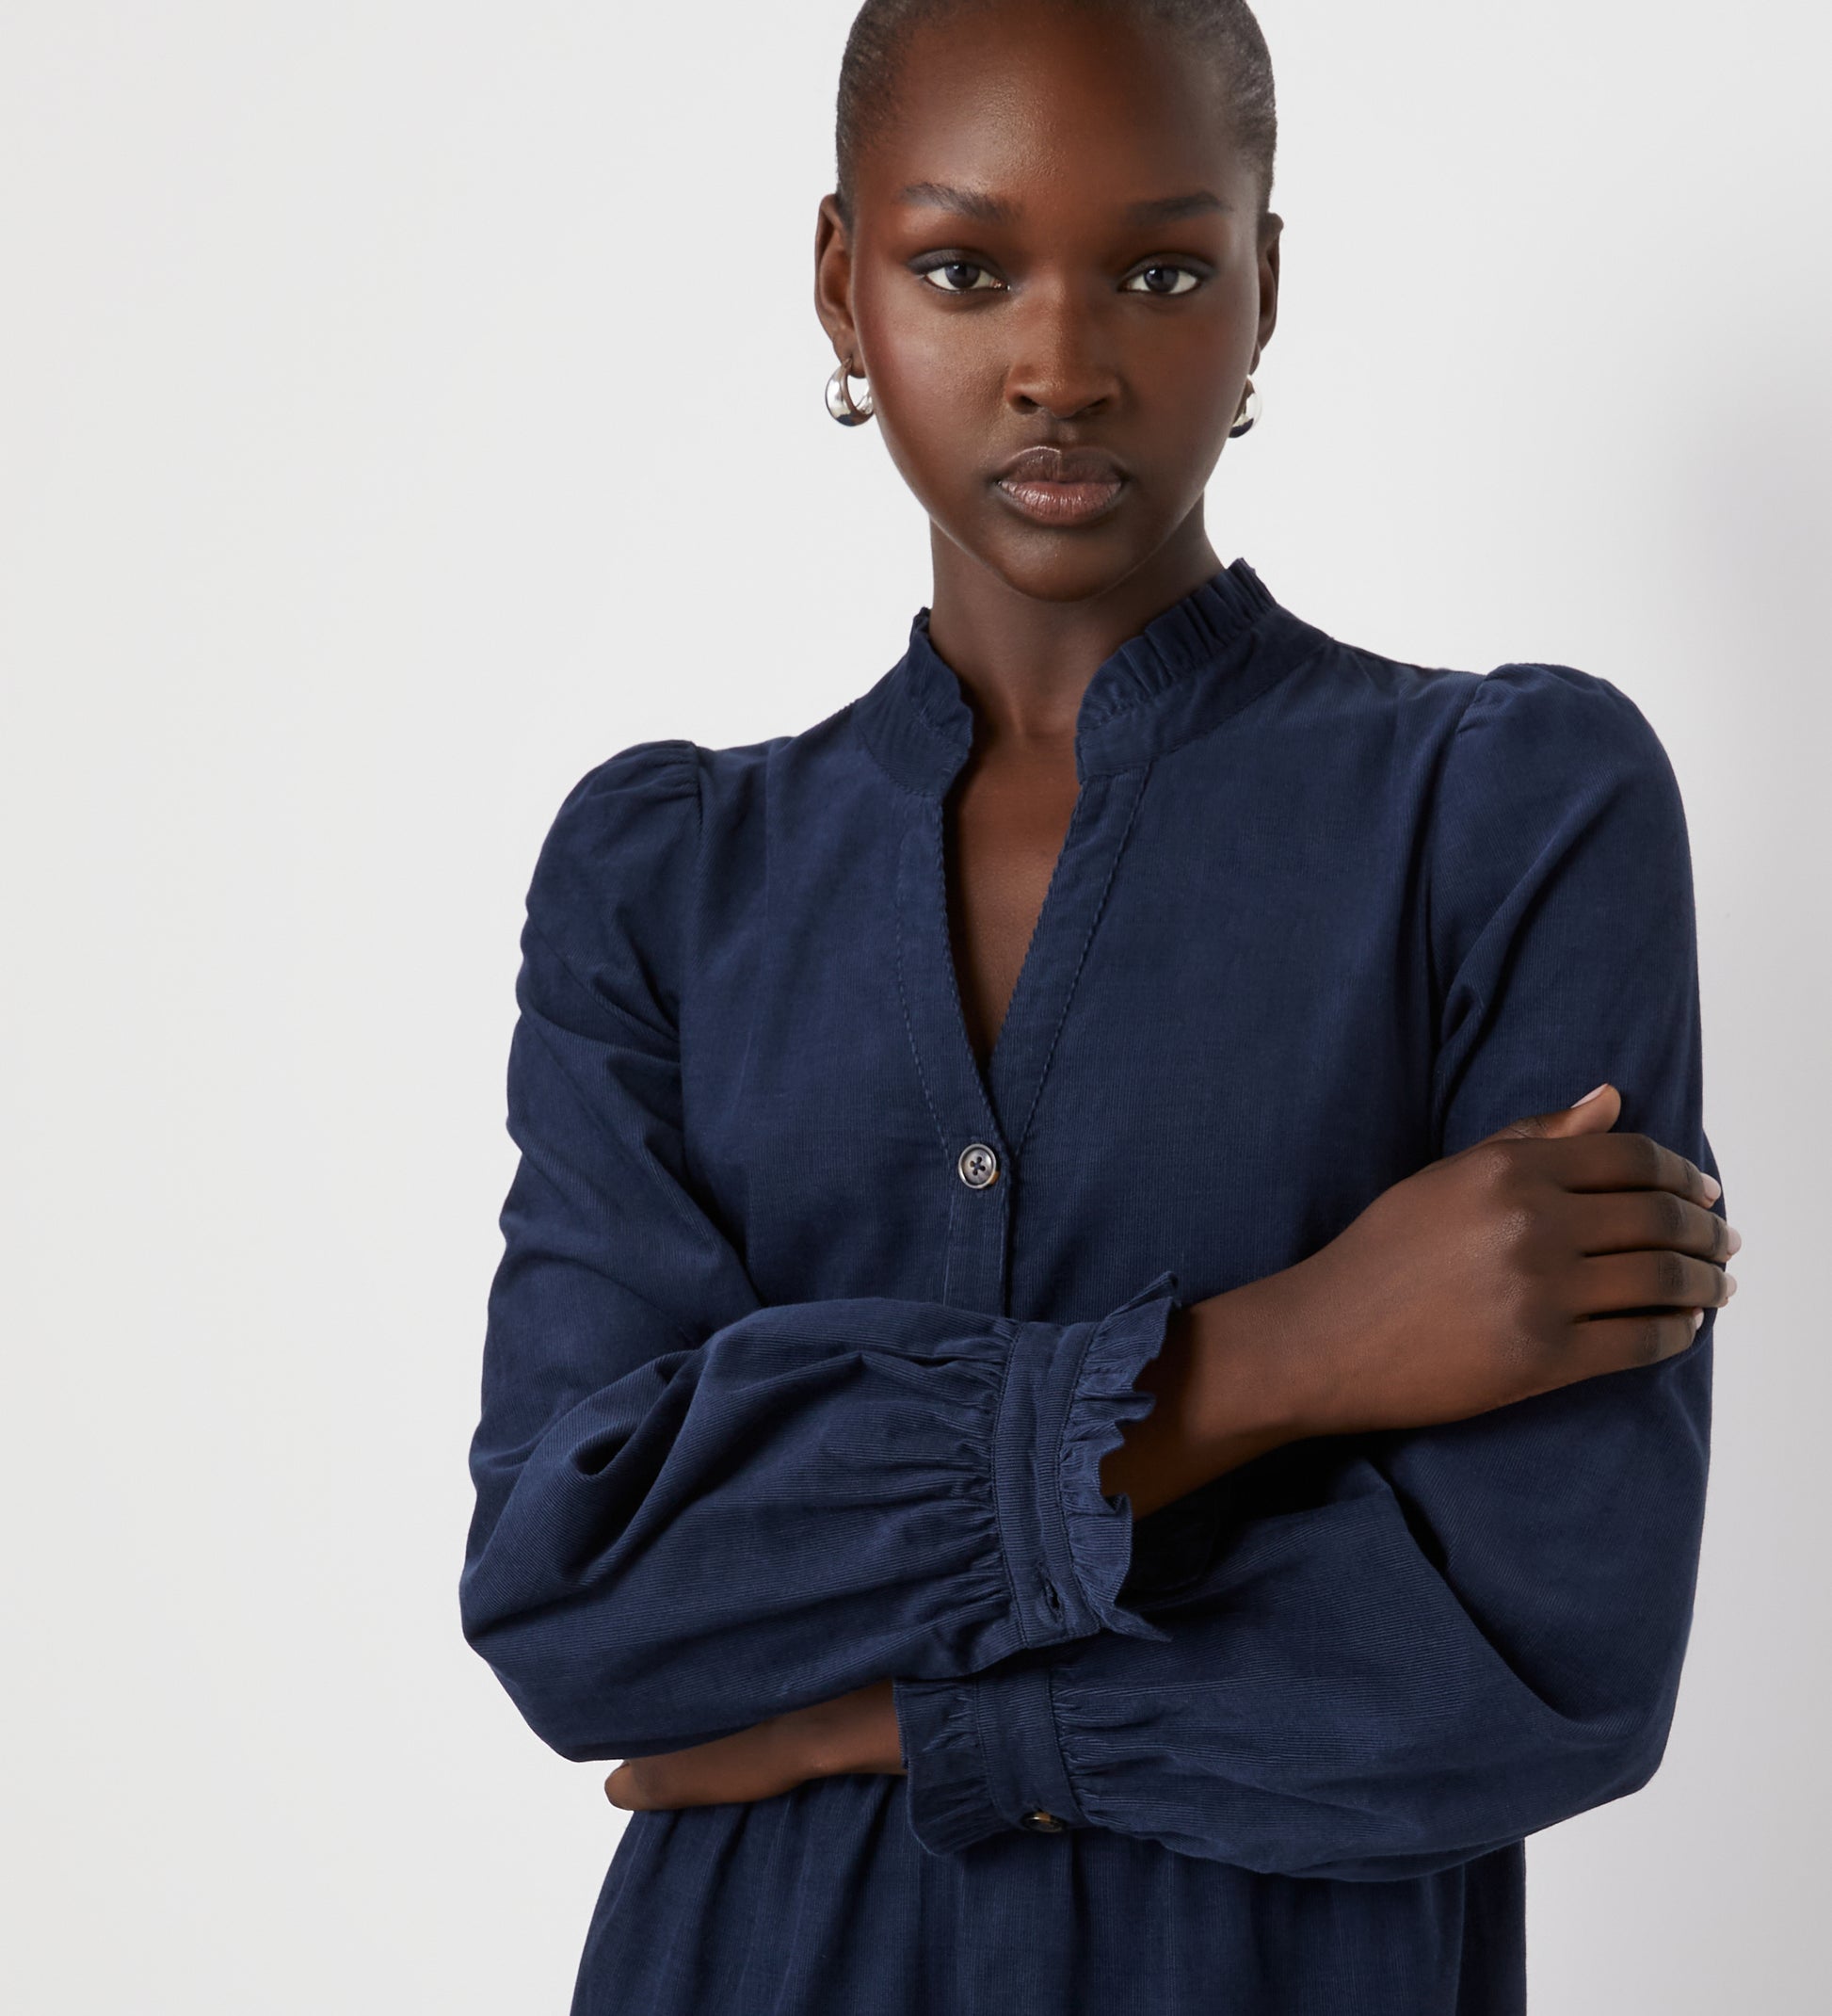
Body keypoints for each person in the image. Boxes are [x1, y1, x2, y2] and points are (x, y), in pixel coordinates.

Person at [458, 3, 1739, 2009]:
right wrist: (1283, 1358)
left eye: (1158, 268)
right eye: (963, 270)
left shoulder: (1501, 814)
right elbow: (579, 1595)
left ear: (1265, 283)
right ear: (840, 282)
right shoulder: (664, 878)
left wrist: (870, 1716)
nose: (1059, 365)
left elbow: (1538, 1662)